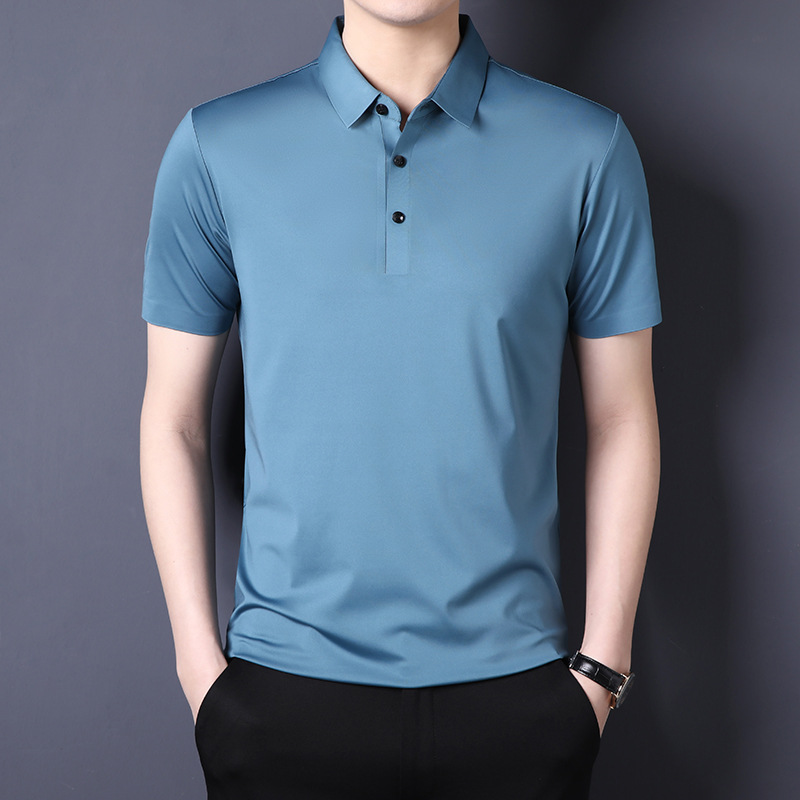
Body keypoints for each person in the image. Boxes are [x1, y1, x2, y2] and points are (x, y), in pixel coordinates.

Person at [139, 1, 661, 798]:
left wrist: (602, 669)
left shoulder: (588, 148)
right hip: (281, 696)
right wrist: (198, 671)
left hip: (519, 698)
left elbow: (621, 415)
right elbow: (174, 420)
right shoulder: (218, 146)